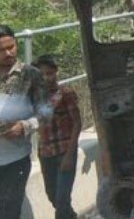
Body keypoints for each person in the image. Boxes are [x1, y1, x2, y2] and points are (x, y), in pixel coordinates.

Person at [0, 25, 51, 217]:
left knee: (8, 211)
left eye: (11, 47)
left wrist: (24, 126)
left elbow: (45, 113)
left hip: (15, 158)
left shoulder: (31, 75)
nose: (8, 53)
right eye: (1, 50)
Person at [34, 55, 81, 219]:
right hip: (46, 153)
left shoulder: (65, 93)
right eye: (42, 75)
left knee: (62, 202)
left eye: (50, 73)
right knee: (53, 196)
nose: (47, 78)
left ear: (56, 73)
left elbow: (77, 123)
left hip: (64, 151)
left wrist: (69, 155)